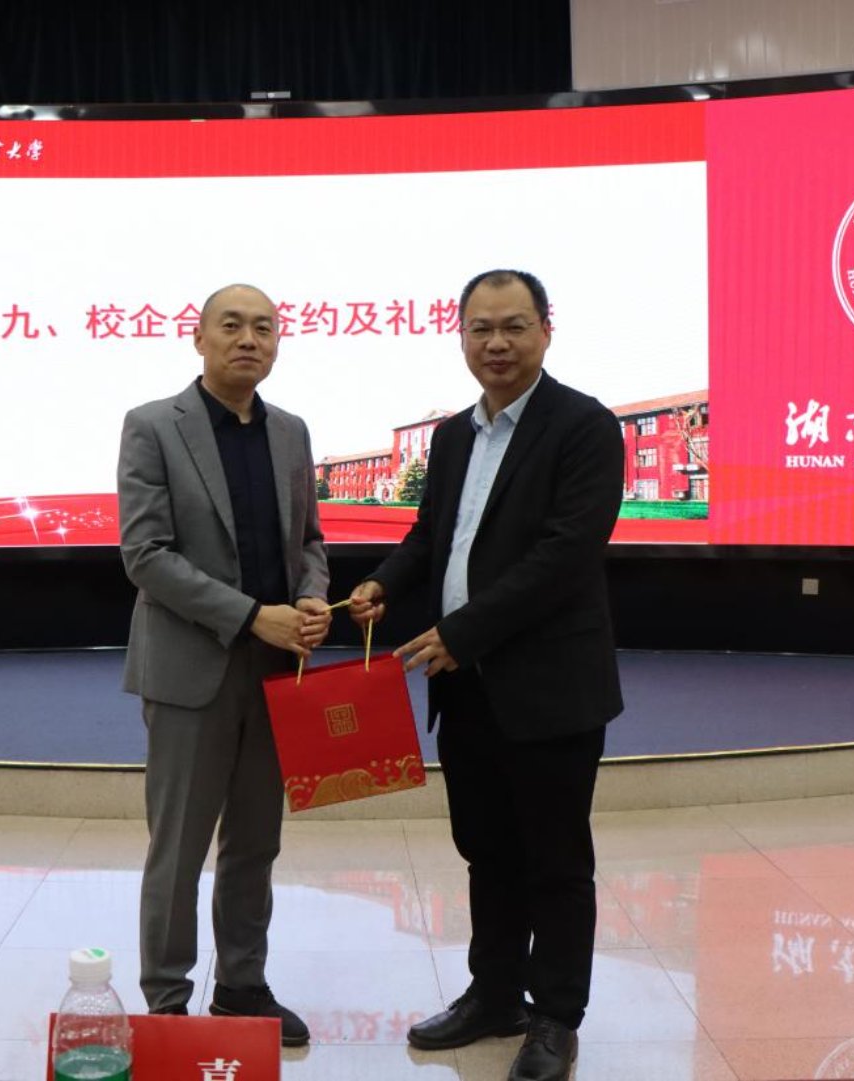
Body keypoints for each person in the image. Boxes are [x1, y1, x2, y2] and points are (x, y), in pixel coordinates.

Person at [349, 270, 624, 1081]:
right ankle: (494, 994)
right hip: (464, 686)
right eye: (480, 328)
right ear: (461, 336)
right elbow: (431, 534)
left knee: (555, 860)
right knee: (486, 851)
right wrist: (383, 584)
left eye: (513, 326)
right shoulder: (452, 436)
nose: (496, 343)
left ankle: (555, 1017)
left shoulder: (583, 426)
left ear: (545, 330)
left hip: (550, 686)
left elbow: (564, 555)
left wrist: (462, 633)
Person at [117, 283, 330, 1046]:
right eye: (231, 325)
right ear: (199, 337)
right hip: (190, 669)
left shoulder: (291, 431)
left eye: (263, 327)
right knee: (178, 847)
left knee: (255, 840)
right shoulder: (153, 426)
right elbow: (145, 555)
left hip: (275, 671)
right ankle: (166, 1004)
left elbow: (309, 540)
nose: (248, 339)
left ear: (277, 342)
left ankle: (242, 985)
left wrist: (309, 596)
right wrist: (248, 614)